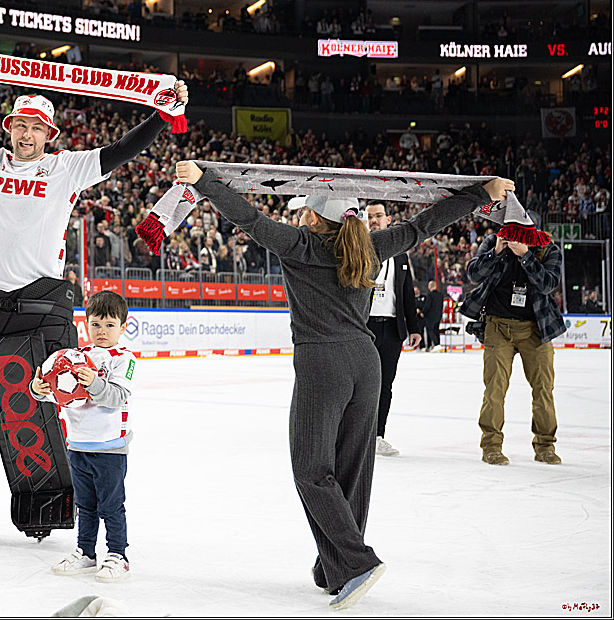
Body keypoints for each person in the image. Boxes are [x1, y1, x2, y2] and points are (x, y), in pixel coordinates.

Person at [175, 159, 512, 610]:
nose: (299, 218)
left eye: (303, 213)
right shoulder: (370, 247)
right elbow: (422, 225)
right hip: (366, 362)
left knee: (312, 470)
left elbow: (250, 219)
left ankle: (356, 562)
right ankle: (334, 561)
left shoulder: (300, 245)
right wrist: (481, 194)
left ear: (314, 217)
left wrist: (204, 183)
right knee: (353, 469)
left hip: (323, 363)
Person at [0, 46, 187, 538]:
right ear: (9, 129)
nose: (26, 134)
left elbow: (122, 151)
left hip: (40, 311)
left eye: (36, 127)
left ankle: (51, 507)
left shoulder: (66, 169)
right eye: (20, 125)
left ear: (49, 134)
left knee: (39, 411)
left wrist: (161, 116)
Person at [30, 290, 135, 582]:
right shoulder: (77, 357)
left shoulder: (123, 359)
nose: (102, 331)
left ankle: (118, 555)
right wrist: (39, 391)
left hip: (109, 447)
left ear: (123, 327)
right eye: (96, 324)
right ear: (85, 324)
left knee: (111, 505)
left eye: (110, 325)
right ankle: (86, 553)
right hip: (77, 445)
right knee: (85, 505)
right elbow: (64, 396)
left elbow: (117, 397)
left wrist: (96, 383)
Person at [458, 232, 565, 466]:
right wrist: (496, 252)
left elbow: (548, 284)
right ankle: (491, 446)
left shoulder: (548, 249)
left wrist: (526, 255)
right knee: (494, 388)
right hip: (498, 325)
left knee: (543, 388)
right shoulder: (493, 242)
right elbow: (474, 273)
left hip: (536, 329)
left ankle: (545, 445)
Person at [364, 201, 421, 457]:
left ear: (388, 220)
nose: (374, 220)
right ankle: (353, 435)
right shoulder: (359, 249)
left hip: (392, 330)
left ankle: (377, 435)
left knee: (385, 385)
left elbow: (407, 293)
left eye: (378, 216)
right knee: (360, 385)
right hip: (363, 327)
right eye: (369, 217)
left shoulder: (400, 254)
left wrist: (414, 327)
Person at [423, 280, 444, 350]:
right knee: (436, 330)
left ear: (430, 286)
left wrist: (423, 312)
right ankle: (436, 344)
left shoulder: (430, 295)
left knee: (430, 330)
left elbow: (427, 305)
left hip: (430, 316)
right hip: (438, 316)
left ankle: (436, 344)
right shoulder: (440, 295)